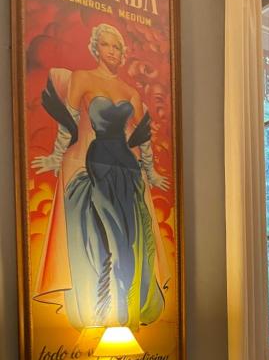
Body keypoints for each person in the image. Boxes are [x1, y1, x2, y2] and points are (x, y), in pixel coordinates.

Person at [32, 23, 170, 332]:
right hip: (98, 162)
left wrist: (151, 170)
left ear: (123, 53)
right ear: (96, 48)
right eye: (107, 45)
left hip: (127, 170)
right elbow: (69, 124)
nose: (112, 51)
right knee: (110, 240)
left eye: (117, 47)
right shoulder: (82, 78)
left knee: (132, 242)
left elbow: (141, 137)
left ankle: (128, 307)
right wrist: (56, 157)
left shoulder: (130, 92)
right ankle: (105, 310)